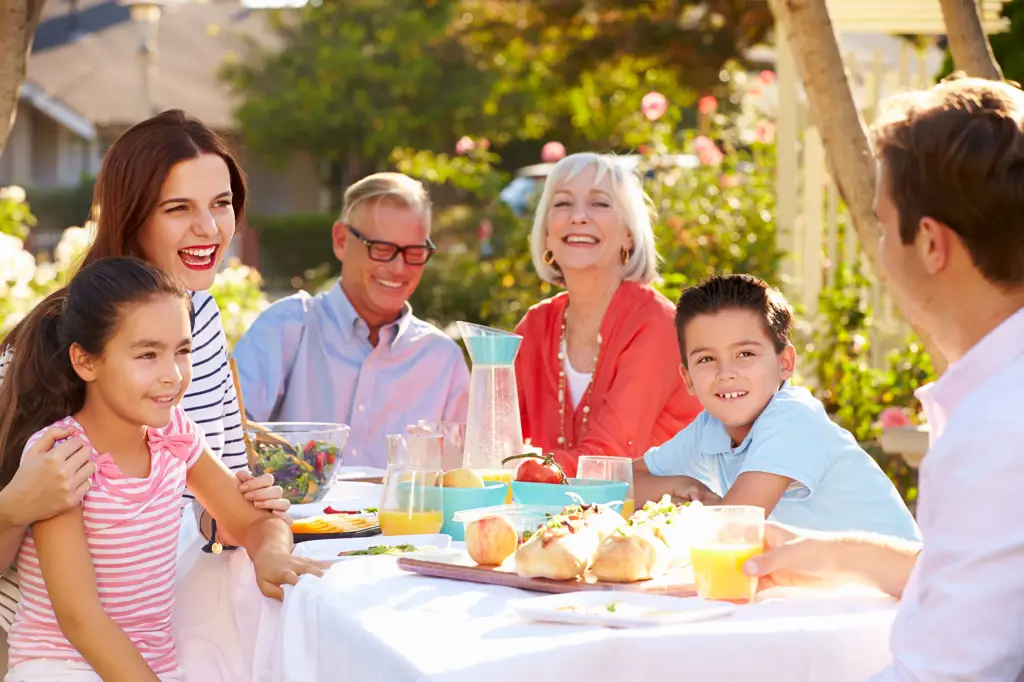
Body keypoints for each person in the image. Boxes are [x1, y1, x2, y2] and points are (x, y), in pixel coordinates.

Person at [743, 76, 1024, 680]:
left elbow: (945, 673)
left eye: (880, 223)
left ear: (928, 243)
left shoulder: (998, 427)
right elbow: (994, 585)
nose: (878, 250)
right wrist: (845, 554)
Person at [0, 110, 287, 663]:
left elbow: (211, 491)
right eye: (178, 208)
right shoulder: (61, 338)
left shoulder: (196, 313)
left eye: (221, 204)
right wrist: (11, 507)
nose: (209, 229)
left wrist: (243, 510)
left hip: (157, 617)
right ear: (132, 216)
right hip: (52, 645)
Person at [0, 257, 325, 682]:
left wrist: (271, 555)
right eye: (147, 354)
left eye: (183, 351)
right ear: (86, 362)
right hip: (62, 668)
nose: (172, 375)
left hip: (150, 668)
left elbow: (251, 521)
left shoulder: (174, 435)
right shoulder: (63, 457)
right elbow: (80, 618)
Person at [634, 274, 920, 540]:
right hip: (821, 588)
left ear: (785, 363)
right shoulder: (710, 428)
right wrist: (678, 485)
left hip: (897, 588)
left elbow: (732, 532)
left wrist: (699, 509)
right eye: (706, 359)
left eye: (744, 354)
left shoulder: (792, 418)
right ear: (688, 379)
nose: (726, 373)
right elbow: (609, 484)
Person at [233, 172, 469, 468]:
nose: (399, 268)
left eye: (414, 252)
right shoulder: (287, 329)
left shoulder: (443, 361)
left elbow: (462, 479)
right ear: (341, 240)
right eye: (382, 249)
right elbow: (228, 437)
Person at [514, 153, 703, 477]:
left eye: (599, 203)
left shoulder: (656, 324)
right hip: (562, 519)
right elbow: (489, 437)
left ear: (629, 233)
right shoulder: (534, 326)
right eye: (562, 204)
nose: (578, 216)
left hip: (658, 520)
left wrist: (517, 470)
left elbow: (608, 460)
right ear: (547, 234)